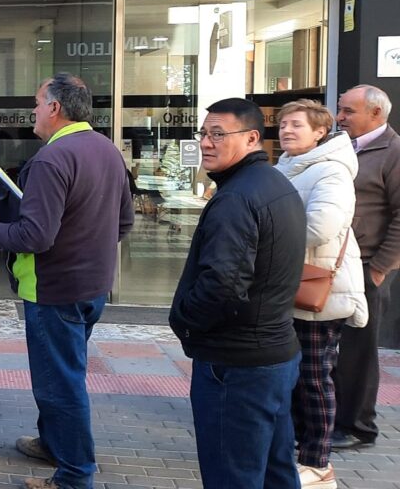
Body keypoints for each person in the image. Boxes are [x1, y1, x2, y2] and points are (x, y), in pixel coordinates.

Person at [0, 74, 133, 489]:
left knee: (59, 385)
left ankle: (73, 476)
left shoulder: (51, 159)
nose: (32, 110)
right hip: (92, 288)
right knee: (67, 374)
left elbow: (34, 236)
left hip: (53, 291)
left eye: (36, 102)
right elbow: (123, 222)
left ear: (54, 108)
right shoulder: (107, 150)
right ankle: (53, 443)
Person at [170, 97, 306, 489]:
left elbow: (223, 286)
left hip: (238, 364)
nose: (207, 143)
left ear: (250, 138)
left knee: (234, 476)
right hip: (273, 356)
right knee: (275, 473)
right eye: (204, 133)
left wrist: (183, 320)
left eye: (218, 134)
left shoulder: (236, 197)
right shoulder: (273, 184)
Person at [274, 99, 369, 489]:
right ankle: (300, 451)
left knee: (314, 377)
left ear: (319, 132)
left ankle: (317, 462)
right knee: (295, 377)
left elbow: (321, 226)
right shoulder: (289, 167)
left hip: (319, 291)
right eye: (282, 124)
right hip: (292, 285)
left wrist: (268, 243)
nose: (287, 130)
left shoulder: (330, 171)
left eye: (297, 125)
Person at [332, 84, 400, 451]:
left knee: (358, 350)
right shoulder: (342, 146)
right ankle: (326, 418)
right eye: (340, 109)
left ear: (376, 114)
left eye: (347, 111)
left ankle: (358, 427)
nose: (339, 117)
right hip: (334, 264)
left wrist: (379, 269)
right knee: (328, 346)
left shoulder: (394, 151)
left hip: (366, 268)